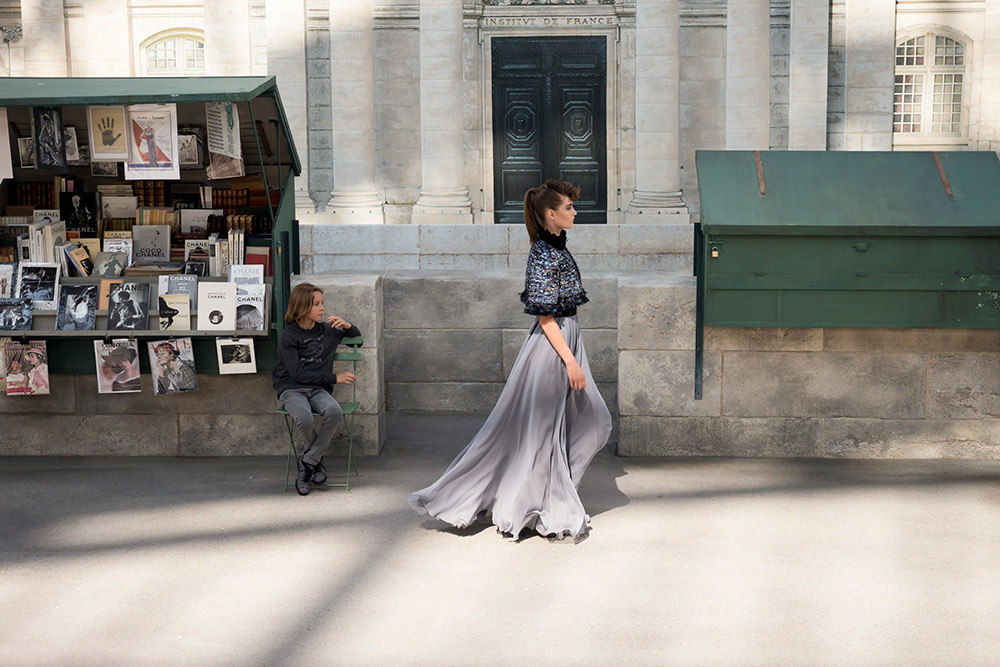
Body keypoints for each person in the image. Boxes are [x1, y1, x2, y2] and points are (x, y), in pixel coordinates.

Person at [408, 179, 612, 541]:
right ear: (552, 214)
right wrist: (570, 361)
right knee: (546, 430)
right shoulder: (543, 255)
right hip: (553, 349)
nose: (575, 212)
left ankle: (549, 494)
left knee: (584, 421)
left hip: (566, 340)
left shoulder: (556, 248)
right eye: (569, 207)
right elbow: (546, 318)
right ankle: (537, 503)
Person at [272, 282, 361, 496]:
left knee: (334, 411)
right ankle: (316, 462)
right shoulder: (289, 337)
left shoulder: (328, 331)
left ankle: (307, 463)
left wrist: (347, 325)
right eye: (316, 304)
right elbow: (298, 374)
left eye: (322, 303)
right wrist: (335, 378)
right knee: (304, 417)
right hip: (292, 389)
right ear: (302, 307)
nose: (322, 308)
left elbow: (358, 339)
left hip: (318, 389)